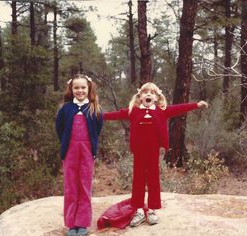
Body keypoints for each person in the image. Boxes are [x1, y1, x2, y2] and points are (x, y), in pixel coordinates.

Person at [102, 82, 208, 227]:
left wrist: (196, 105)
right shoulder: (134, 111)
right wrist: (98, 116)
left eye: (152, 93)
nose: (148, 94)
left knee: (153, 180)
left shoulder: (161, 111)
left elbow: (179, 108)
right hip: (139, 151)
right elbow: (116, 114)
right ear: (140, 96)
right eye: (145, 92)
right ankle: (139, 210)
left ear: (157, 97)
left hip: (153, 151)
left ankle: (151, 210)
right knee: (138, 180)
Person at [55, 74, 103, 236]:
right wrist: (66, 144)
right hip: (70, 151)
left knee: (84, 185)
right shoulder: (66, 108)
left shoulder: (94, 108)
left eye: (83, 87)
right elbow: (59, 128)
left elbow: (97, 129)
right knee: (70, 186)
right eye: (76, 87)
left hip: (87, 151)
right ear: (71, 89)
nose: (80, 90)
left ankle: (82, 223)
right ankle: (71, 223)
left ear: (89, 89)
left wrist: (91, 147)